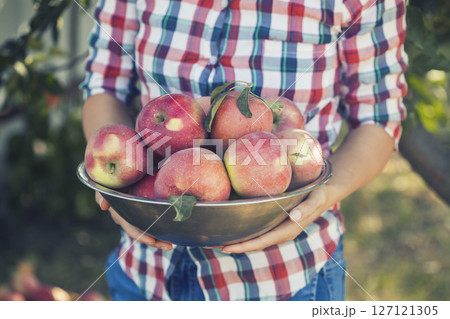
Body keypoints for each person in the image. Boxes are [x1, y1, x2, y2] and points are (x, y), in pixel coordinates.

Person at [81, 0, 407, 301]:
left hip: (286, 276)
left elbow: (378, 118)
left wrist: (321, 196)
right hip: (146, 272)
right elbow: (104, 84)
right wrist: (123, 190)